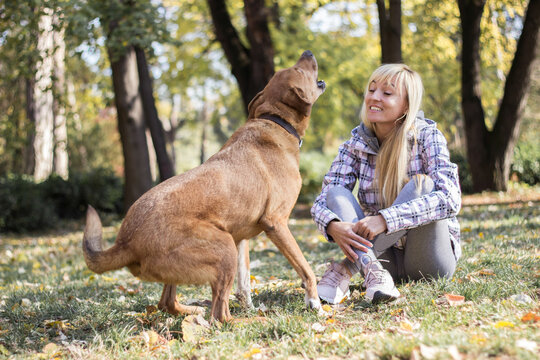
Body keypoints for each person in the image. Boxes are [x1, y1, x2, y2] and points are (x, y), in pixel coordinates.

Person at [311, 64, 461, 305]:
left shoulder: (428, 137)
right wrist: (331, 225)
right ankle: (373, 272)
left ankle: (346, 269)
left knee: (421, 186)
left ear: (407, 105)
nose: (374, 97)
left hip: (429, 261)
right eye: (371, 90)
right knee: (336, 192)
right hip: (381, 263)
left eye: (387, 93)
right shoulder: (354, 145)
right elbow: (323, 200)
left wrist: (385, 219)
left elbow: (450, 199)